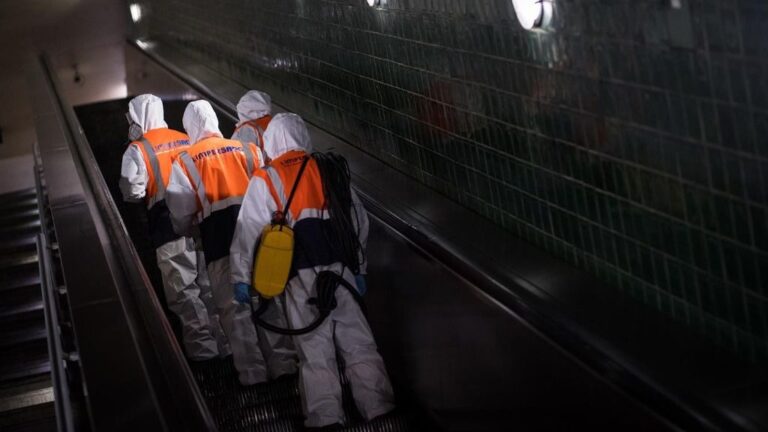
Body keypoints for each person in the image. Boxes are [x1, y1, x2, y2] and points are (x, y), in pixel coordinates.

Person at [230, 113, 395, 428]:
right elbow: (358, 219)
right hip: (341, 271)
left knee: (314, 349)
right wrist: (359, 269)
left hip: (301, 277)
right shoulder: (329, 169)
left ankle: (326, 418)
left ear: (273, 141)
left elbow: (248, 232)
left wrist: (240, 278)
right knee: (359, 341)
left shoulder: (267, 177)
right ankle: (380, 410)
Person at [165, 100, 295, 385]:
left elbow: (180, 214)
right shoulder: (247, 149)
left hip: (219, 243)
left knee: (235, 314)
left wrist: (193, 232)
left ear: (189, 128)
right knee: (268, 303)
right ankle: (285, 368)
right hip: (258, 241)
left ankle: (254, 378)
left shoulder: (186, 161)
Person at [119, 94, 228, 361]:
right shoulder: (185, 137)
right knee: (209, 287)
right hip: (200, 224)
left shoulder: (138, 149)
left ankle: (205, 355)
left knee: (183, 294)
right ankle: (227, 345)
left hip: (167, 229)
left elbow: (131, 191)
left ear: (137, 117)